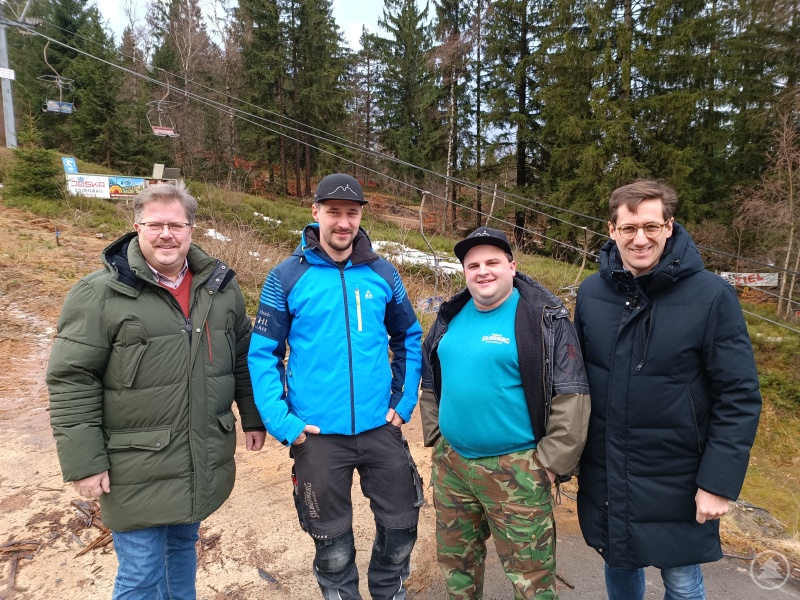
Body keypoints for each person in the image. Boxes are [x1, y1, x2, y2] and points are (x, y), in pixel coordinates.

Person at [47, 182, 266, 599]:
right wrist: (84, 463)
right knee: (142, 573)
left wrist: (253, 418)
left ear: (191, 230)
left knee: (182, 547)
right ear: (137, 228)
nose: (167, 234)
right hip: (134, 461)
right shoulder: (99, 294)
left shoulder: (220, 289)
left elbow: (242, 359)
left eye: (176, 225)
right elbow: (72, 380)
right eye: (155, 224)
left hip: (200, 454)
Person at [574, 180, 762, 600]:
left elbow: (739, 396)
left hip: (679, 476)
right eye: (629, 228)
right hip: (608, 468)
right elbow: (577, 384)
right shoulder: (591, 293)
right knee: (619, 562)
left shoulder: (712, 296)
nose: (640, 239)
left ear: (669, 227)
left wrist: (718, 483)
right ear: (612, 230)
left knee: (681, 580)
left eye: (651, 227)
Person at [248, 173, 424, 599]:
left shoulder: (383, 273)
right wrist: (283, 422)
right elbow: (263, 354)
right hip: (317, 435)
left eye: (351, 213)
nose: (343, 223)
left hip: (380, 426)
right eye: (333, 212)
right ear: (316, 212)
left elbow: (408, 337)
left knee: (401, 529)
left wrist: (402, 402)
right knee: (332, 548)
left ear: (361, 215)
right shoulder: (285, 276)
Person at [419, 226, 591, 599]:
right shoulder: (451, 314)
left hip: (517, 469)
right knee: (457, 567)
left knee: (531, 579)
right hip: (452, 466)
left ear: (512, 267)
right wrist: (435, 434)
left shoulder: (544, 319)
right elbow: (431, 374)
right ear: (465, 272)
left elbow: (572, 394)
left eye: (492, 262)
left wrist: (550, 464)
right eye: (473, 265)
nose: (483, 271)